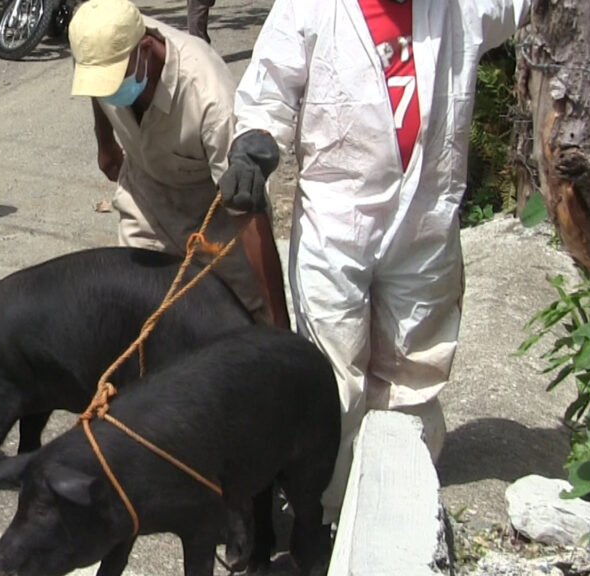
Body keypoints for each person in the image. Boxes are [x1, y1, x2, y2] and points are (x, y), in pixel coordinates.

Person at [222, 0, 532, 522]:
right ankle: (326, 509)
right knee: (333, 375)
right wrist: (253, 142)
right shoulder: (309, 8)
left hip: (424, 221)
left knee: (413, 371)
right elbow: (268, 88)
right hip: (337, 224)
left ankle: (398, 501)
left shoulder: (461, 8)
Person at [68, 0, 289, 329]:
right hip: (146, 199)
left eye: (115, 81)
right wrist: (105, 141)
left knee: (243, 319)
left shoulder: (209, 98)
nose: (108, 91)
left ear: (146, 47)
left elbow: (248, 211)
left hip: (213, 214)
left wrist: (279, 327)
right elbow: (97, 89)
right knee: (140, 312)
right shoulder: (98, 46)